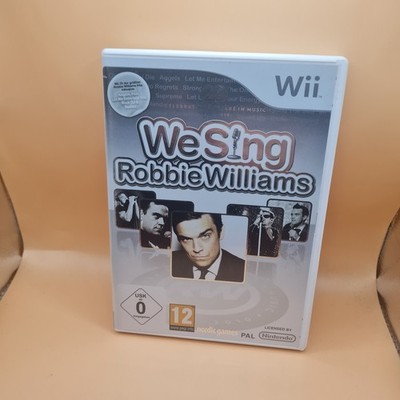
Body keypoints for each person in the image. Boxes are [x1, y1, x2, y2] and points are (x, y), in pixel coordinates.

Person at [171, 212, 245, 282]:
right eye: (186, 239)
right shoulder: (168, 263)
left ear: (221, 232)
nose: (197, 249)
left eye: (205, 236)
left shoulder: (243, 269)